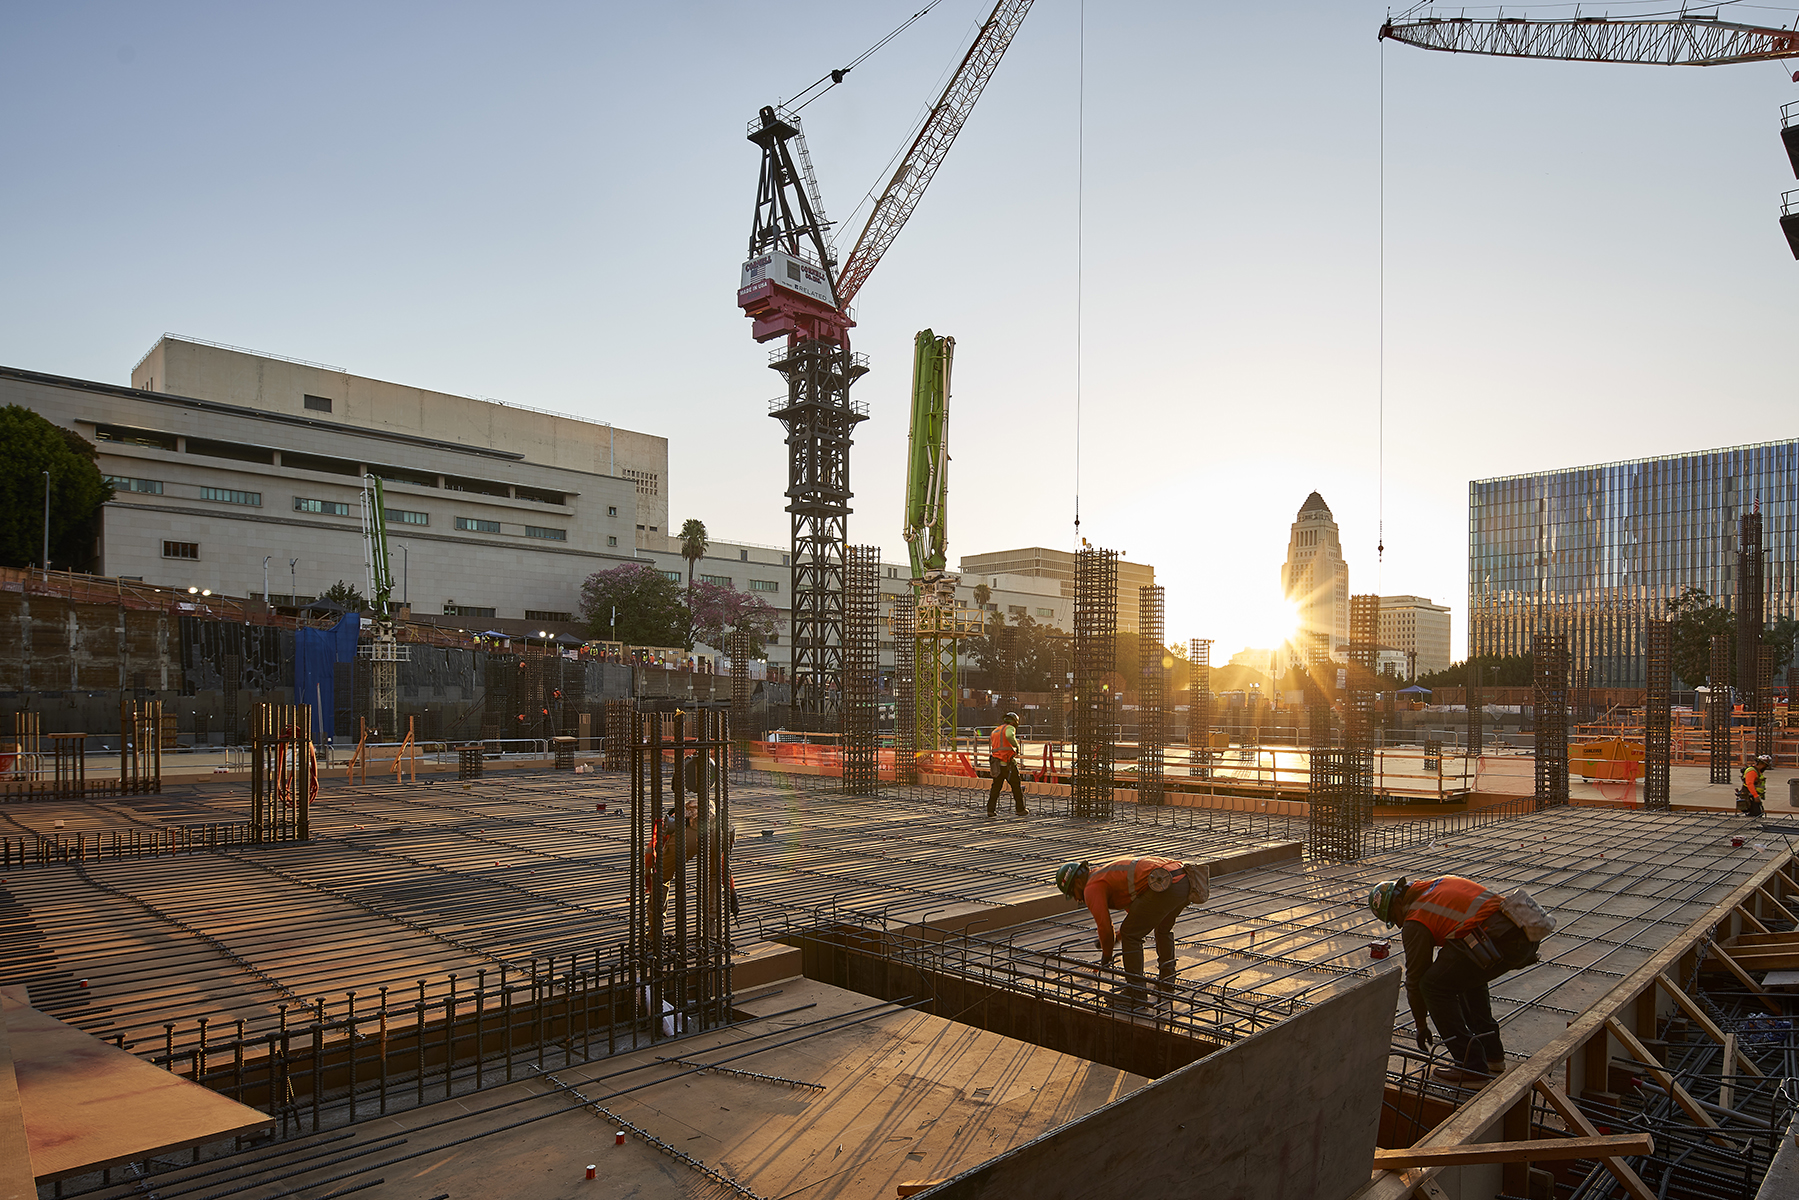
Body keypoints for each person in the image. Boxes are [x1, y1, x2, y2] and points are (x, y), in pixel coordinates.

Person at [1370, 875, 1530, 1084]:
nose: (1399, 925)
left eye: (1394, 917)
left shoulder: (1416, 917)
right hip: (1519, 933)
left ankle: (1471, 1066)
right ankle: (1492, 1056)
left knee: (1433, 986)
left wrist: (1420, 1024)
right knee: (1460, 973)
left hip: (1500, 939)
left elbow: (1416, 979)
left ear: (1398, 902)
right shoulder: (1436, 885)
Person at [1056, 856, 1207, 1007]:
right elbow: (1138, 917)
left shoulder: (1091, 886)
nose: (1077, 899)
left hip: (1163, 882)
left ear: (1078, 882)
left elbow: (1105, 927)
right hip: (1182, 880)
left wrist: (1107, 955)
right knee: (1162, 928)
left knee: (1131, 935)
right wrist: (1116, 938)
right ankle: (1167, 982)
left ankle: (1136, 992)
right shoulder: (1105, 875)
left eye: (1072, 893)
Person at [987, 711, 1026, 816]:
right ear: (1014, 722)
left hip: (996, 764)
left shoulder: (996, 730)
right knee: (1016, 786)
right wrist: (1016, 746)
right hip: (1008, 763)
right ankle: (1020, 809)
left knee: (996, 787)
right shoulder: (1009, 728)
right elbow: (1009, 736)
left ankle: (990, 810)